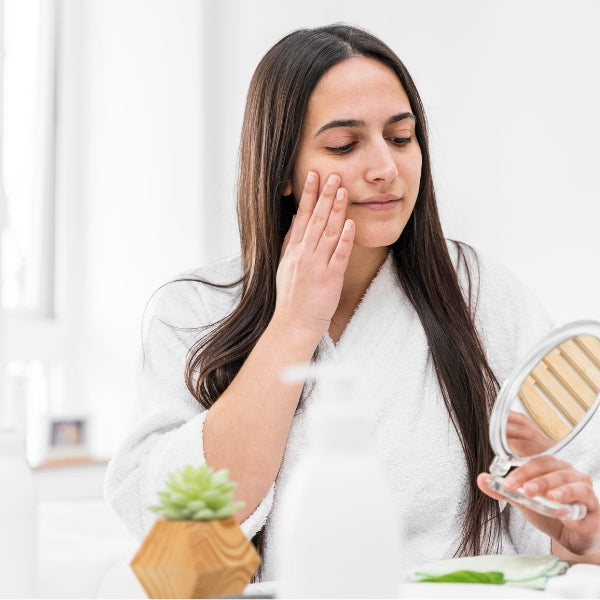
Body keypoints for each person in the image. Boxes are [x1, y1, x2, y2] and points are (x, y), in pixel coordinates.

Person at [104, 24, 600, 579]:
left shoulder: (479, 294)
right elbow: (179, 527)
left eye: (401, 137)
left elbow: (571, 508)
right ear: (281, 170)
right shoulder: (194, 311)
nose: (385, 168)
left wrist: (577, 533)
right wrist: (294, 323)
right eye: (344, 145)